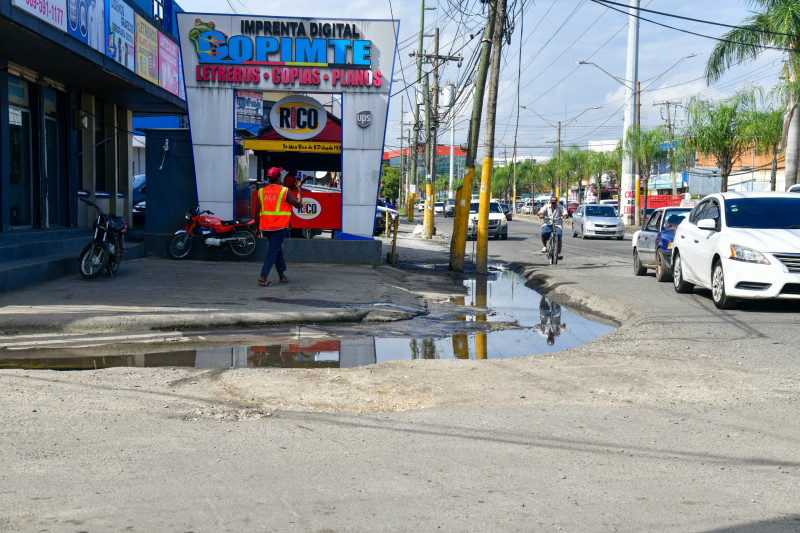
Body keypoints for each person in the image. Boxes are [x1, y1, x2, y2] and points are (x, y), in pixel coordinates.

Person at [256, 166, 302, 286]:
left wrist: (256, 228)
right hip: (279, 226)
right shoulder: (284, 191)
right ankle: (263, 276)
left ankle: (282, 276)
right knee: (273, 250)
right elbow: (299, 205)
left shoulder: (261, 191)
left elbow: (257, 212)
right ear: (278, 178)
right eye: (280, 176)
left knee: (276, 249)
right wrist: (299, 190)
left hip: (266, 227)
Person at [538, 195, 566, 260]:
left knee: (559, 236)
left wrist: (565, 215)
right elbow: (541, 212)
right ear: (550, 202)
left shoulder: (560, 207)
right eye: (552, 202)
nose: (553, 204)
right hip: (547, 223)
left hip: (557, 224)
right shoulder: (546, 206)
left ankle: (558, 252)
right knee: (543, 233)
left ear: (556, 202)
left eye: (554, 202)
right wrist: (541, 215)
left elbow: (565, 212)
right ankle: (545, 246)